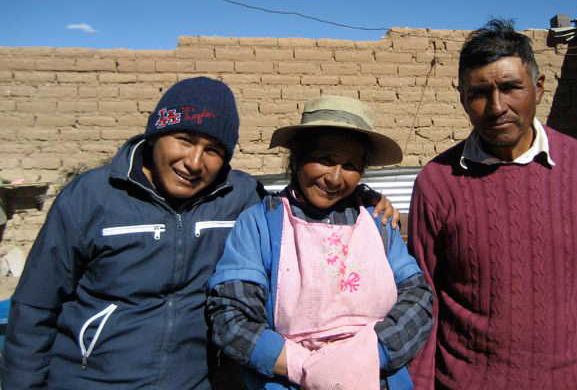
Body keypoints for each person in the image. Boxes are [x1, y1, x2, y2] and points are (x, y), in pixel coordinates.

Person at [1, 78, 398, 390]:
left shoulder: (240, 196)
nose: (194, 162)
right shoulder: (91, 198)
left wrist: (362, 196)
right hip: (91, 381)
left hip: (201, 383)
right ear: (156, 134)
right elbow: (35, 311)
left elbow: (305, 198)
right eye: (185, 140)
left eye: (213, 150)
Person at [408, 19, 577, 389]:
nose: (497, 107)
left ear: (539, 87)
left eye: (511, 88)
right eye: (480, 92)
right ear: (463, 98)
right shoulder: (437, 183)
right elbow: (425, 300)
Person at [207, 95, 434, 390]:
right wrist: (307, 367)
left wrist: (366, 357)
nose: (335, 178)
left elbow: (419, 298)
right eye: (325, 160)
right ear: (298, 157)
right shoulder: (260, 224)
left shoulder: (377, 222)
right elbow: (230, 318)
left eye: (350, 165)